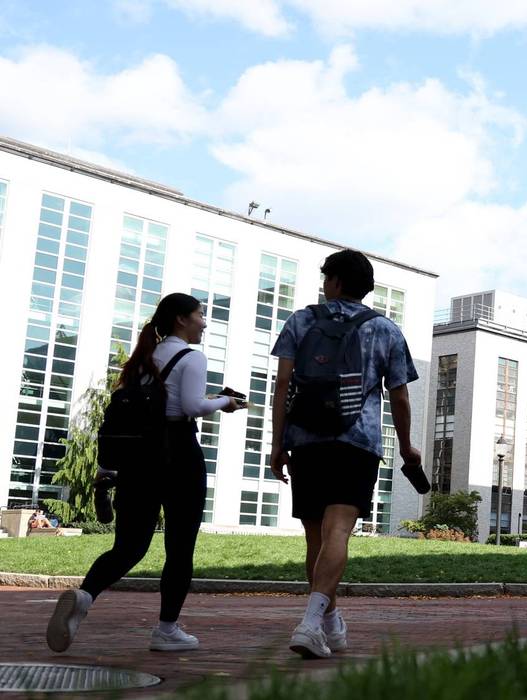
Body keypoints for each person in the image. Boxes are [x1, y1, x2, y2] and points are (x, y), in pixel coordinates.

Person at [46, 293, 243, 653]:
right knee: (180, 547)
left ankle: (84, 597)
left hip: (138, 460)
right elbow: (192, 406)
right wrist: (226, 402)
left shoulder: (142, 359)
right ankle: (167, 630)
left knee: (129, 546)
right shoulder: (191, 357)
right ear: (181, 320)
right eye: (200, 315)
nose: (204, 322)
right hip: (179, 455)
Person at [269, 250, 421, 659]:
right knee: (338, 533)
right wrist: (405, 446)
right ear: (366, 287)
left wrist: (277, 442)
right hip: (357, 441)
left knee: (315, 537)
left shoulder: (301, 321)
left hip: (305, 440)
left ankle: (327, 623)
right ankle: (311, 622)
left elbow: (282, 386)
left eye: (325, 278)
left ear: (334, 281)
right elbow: (400, 396)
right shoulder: (385, 329)